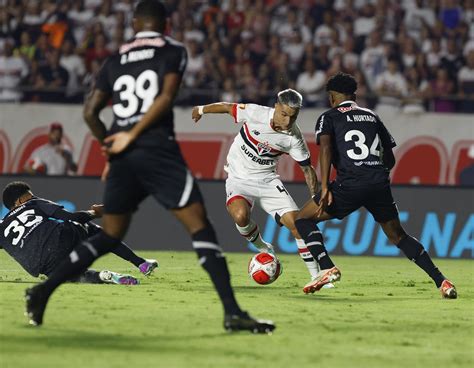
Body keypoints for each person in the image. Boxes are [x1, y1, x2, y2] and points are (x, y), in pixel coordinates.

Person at [25, 0, 274, 334]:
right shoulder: (172, 50)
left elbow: (89, 112)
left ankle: (42, 291)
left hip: (125, 159)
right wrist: (133, 135)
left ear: (134, 24)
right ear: (166, 25)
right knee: (201, 226)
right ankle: (232, 314)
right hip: (157, 151)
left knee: (110, 234)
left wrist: (113, 148)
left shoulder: (116, 59)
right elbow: (165, 97)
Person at [294, 72, 457, 299]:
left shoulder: (328, 117)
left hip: (349, 183)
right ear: (353, 94)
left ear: (332, 96)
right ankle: (442, 281)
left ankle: (326, 267)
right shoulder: (372, 116)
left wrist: (324, 187)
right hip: (378, 183)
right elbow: (390, 160)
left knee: (302, 219)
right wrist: (373, 173)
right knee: (399, 236)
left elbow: (326, 149)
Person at [192, 89, 334, 288]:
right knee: (240, 216)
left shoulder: (294, 138)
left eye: (292, 117)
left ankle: (316, 275)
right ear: (276, 107)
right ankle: (264, 248)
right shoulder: (255, 113)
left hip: (268, 181)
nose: (287, 121)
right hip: (239, 179)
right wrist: (201, 109)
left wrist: (315, 197)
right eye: (284, 114)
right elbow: (226, 107)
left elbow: (307, 169)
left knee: (297, 225)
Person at [1, 181, 158, 285]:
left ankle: (104, 276)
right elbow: (73, 217)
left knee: (74, 276)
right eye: (30, 195)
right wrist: (95, 213)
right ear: (20, 201)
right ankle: (141, 264)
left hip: (42, 265)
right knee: (94, 230)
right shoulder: (33, 204)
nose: (33, 197)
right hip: (59, 240)